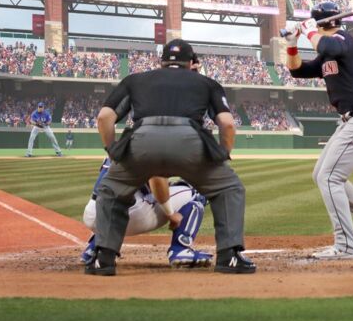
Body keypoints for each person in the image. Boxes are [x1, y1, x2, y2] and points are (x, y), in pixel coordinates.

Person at [87, 39, 253, 276]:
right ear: (192, 63)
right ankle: (229, 256)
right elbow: (226, 123)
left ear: (162, 61)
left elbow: (104, 117)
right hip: (190, 143)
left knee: (111, 190)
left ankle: (102, 258)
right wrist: (222, 154)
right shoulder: (206, 82)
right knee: (229, 188)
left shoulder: (135, 79)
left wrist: (112, 149)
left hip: (141, 143)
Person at [286, 2, 353, 259]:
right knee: (321, 173)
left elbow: (327, 44)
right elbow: (297, 70)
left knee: (329, 177)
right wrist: (291, 42)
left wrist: (309, 31)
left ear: (320, 23)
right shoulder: (326, 54)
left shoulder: (344, 40)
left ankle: (346, 247)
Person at [80, 158, 213, 267]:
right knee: (197, 192)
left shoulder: (122, 143)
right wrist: (171, 214)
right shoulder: (154, 144)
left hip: (93, 214)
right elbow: (156, 179)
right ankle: (181, 249)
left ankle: (96, 247)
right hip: (130, 217)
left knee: (116, 195)